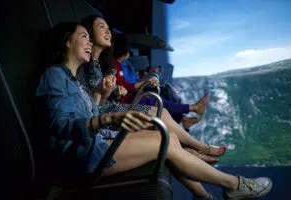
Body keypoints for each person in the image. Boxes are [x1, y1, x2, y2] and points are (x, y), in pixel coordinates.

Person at [37, 21, 272, 200]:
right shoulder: (56, 76)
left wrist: (105, 96)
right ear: (67, 41)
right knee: (165, 137)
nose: (92, 40)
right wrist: (109, 110)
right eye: (87, 35)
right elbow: (63, 124)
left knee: (164, 117)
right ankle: (232, 183)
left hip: (106, 127)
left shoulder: (77, 77)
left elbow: (92, 107)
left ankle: (202, 172)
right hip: (89, 150)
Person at [77, 15, 227, 164]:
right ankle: (198, 145)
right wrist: (112, 92)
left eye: (108, 28)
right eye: (102, 27)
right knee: (155, 107)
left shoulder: (101, 64)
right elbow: (92, 103)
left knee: (163, 111)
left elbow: (104, 95)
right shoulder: (86, 65)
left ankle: (193, 146)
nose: (108, 32)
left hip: (114, 107)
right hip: (110, 114)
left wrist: (114, 91)